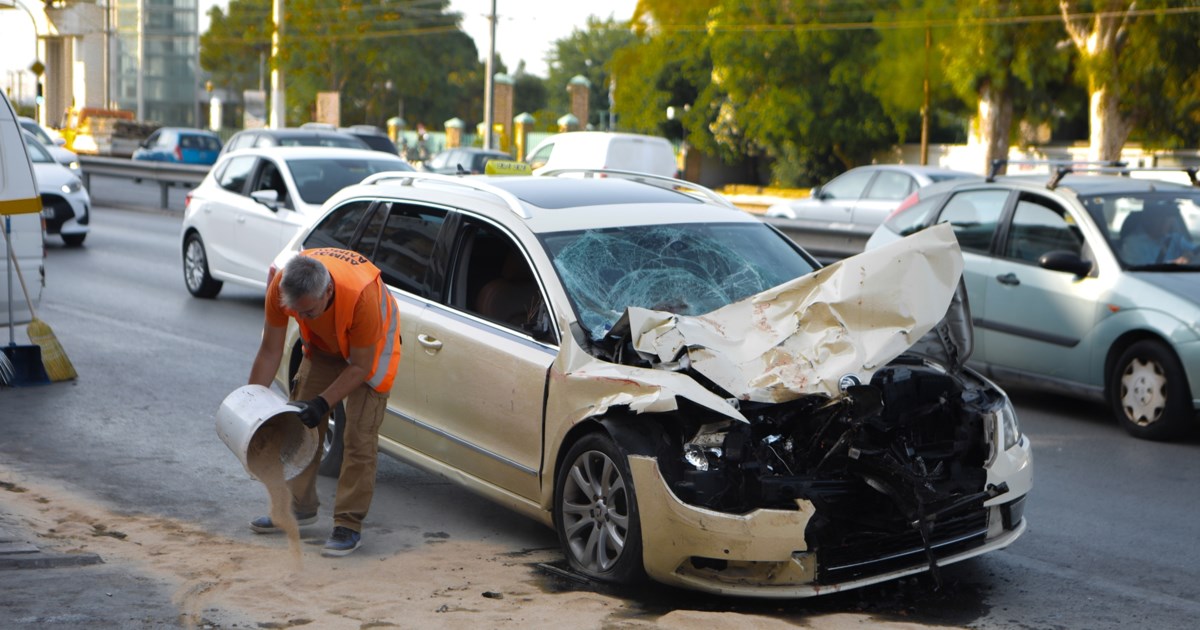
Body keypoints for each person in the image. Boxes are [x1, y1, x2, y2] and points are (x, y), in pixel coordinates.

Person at [247, 249, 402, 556]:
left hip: (372, 350)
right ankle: (299, 507)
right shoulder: (282, 287)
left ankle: (348, 524)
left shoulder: (362, 297)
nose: (301, 318)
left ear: (327, 291)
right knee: (298, 426)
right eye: (297, 313)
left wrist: (322, 403)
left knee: (358, 436)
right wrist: (250, 404)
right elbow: (269, 351)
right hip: (324, 347)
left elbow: (359, 366)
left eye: (308, 313)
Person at [1120, 202, 1198, 266]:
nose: (1169, 222)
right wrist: (1174, 264)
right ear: (1151, 218)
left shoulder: (1175, 239)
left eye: (1170, 218)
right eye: (1164, 217)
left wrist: (1190, 256)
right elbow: (1136, 271)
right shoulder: (1133, 243)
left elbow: (1195, 251)